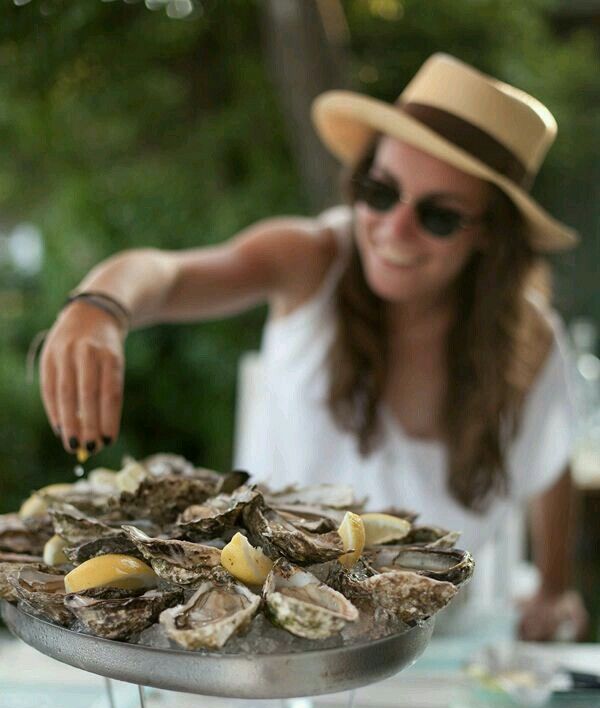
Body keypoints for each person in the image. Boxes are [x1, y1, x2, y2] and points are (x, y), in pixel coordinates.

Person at [39, 53, 588, 641]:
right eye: (379, 191)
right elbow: (168, 274)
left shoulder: (530, 339)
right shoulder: (313, 258)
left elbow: (551, 466)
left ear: (490, 237)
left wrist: (557, 589)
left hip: (436, 648)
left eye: (439, 216)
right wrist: (99, 309)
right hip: (268, 640)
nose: (392, 229)